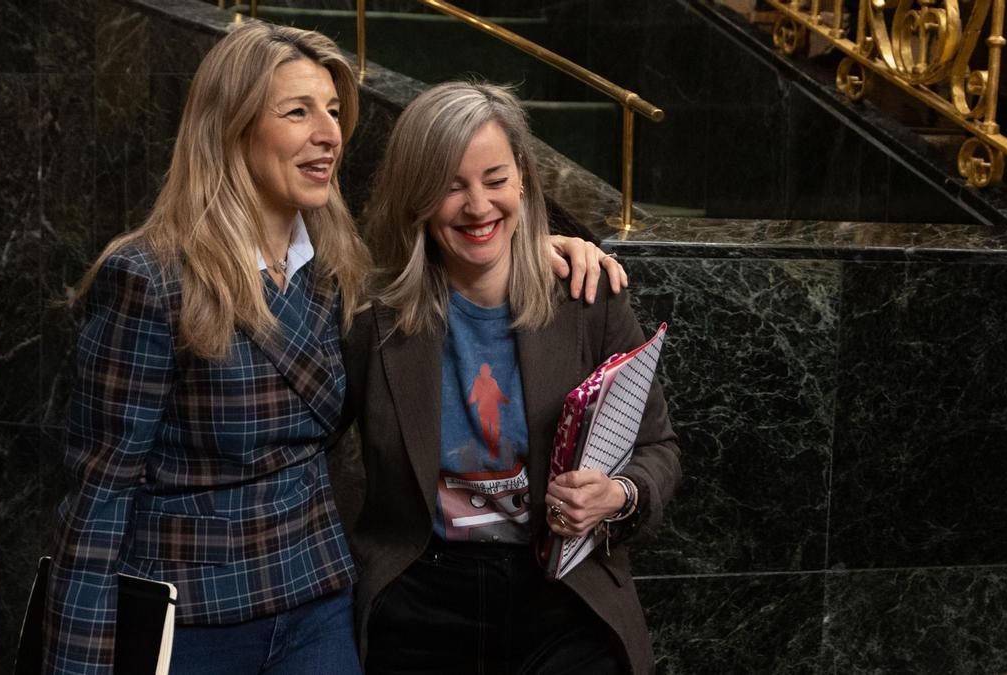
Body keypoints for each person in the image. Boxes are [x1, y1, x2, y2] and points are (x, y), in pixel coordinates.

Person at [44, 22, 623, 674]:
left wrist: (528, 251)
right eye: (298, 111)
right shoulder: (148, 278)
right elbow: (97, 497)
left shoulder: (338, 273)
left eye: (333, 111)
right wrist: (79, 660)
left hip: (317, 602)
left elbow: (447, 261)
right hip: (196, 611)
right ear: (229, 128)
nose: (330, 133)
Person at [344, 81, 681, 674]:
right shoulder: (372, 321)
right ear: (416, 196)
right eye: (451, 187)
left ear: (524, 177)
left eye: (495, 180)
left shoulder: (589, 296)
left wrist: (619, 496)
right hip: (422, 599)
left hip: (564, 595)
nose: (478, 206)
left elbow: (658, 449)